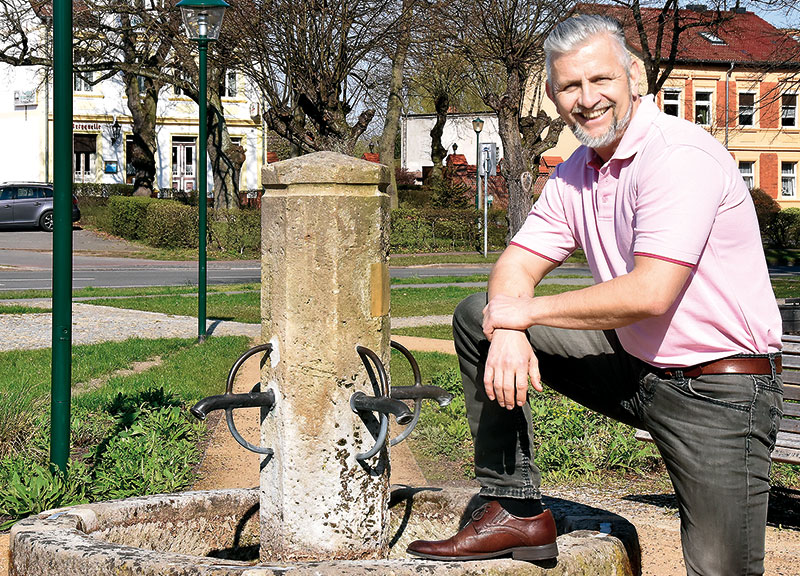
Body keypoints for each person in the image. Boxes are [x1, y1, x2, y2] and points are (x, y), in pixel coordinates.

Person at [406, 14, 783, 576]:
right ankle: (513, 507)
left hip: (719, 391)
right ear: (555, 96)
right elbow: (516, 263)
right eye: (569, 87)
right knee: (477, 317)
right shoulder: (575, 172)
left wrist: (525, 311)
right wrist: (509, 326)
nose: (586, 99)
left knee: (721, 572)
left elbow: (651, 292)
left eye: (599, 80)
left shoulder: (678, 156)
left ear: (634, 75)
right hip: (634, 367)